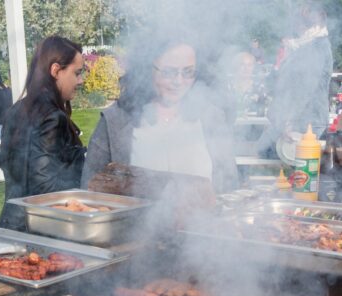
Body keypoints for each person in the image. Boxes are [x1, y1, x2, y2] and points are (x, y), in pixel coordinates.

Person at [82, 35, 238, 194]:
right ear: (145, 69)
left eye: (188, 72)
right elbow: (90, 188)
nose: (178, 81)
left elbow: (230, 183)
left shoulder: (211, 117)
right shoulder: (115, 121)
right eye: (168, 72)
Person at [0, 36, 86, 231]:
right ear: (56, 70)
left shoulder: (15, 110)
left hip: (9, 225)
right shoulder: (53, 117)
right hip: (41, 232)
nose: (80, 80)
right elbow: (45, 190)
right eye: (77, 73)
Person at [256, 1, 332, 157]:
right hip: (295, 119)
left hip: (304, 123)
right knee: (264, 153)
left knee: (270, 155)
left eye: (297, 20)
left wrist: (288, 121)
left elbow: (305, 88)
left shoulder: (315, 47)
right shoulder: (304, 46)